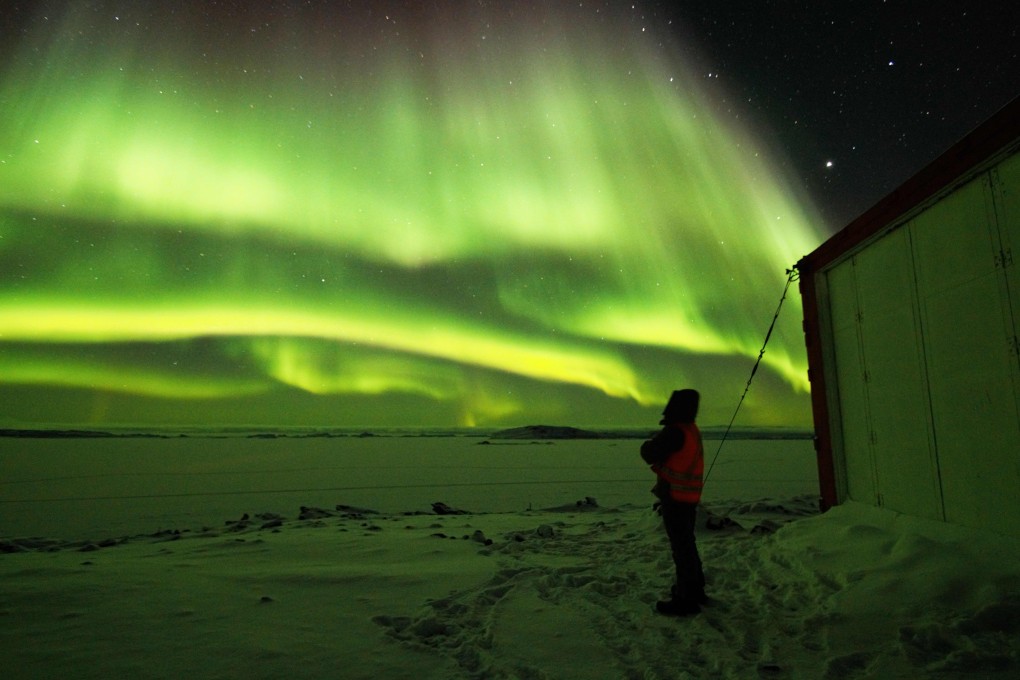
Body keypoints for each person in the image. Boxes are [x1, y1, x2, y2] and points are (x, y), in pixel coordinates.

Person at [640, 388, 706, 616]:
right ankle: (695, 590)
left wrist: (648, 445)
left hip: (676, 497)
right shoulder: (690, 429)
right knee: (687, 544)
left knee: (682, 548)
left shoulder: (675, 432)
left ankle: (686, 599)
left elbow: (650, 453)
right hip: (688, 496)